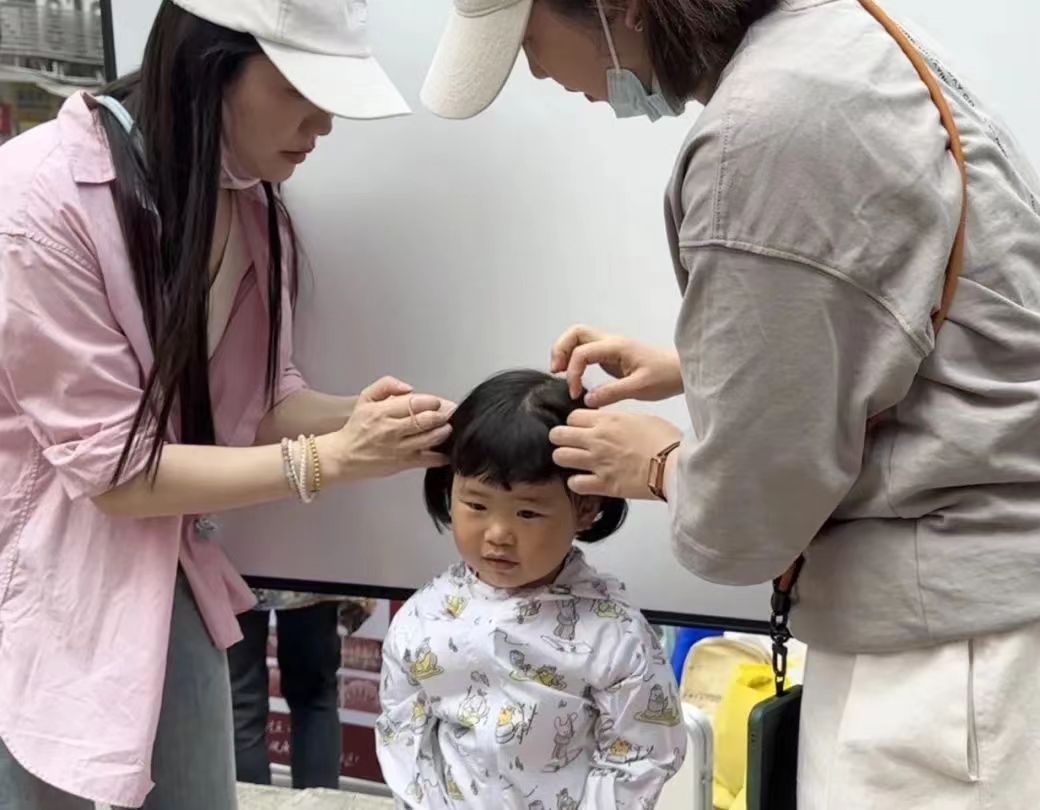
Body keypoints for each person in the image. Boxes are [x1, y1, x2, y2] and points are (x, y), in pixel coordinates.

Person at [420, 0, 1040, 807]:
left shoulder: (763, 133)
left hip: (953, 677)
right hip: (1003, 642)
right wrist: (704, 366)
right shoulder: (841, 45)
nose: (538, 72)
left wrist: (661, 463)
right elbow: (893, 324)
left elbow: (748, 520)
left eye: (527, 41)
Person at [0, 1, 453, 808]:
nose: (322, 125)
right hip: (45, 579)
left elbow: (253, 405)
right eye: (301, 91)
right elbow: (115, 471)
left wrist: (370, 421)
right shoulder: (38, 198)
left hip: (160, 563)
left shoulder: (248, 198)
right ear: (209, 67)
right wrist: (331, 458)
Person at [376, 370, 686, 809]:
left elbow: (641, 753)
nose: (498, 534)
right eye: (476, 504)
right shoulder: (424, 617)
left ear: (585, 507)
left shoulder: (613, 635)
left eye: (527, 513)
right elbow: (402, 728)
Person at [229, 589, 374, 789]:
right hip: (308, 578)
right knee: (315, 697)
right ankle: (317, 802)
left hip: (241, 575)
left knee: (241, 704)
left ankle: (248, 801)